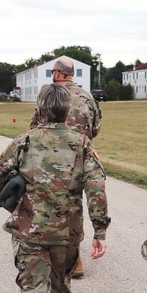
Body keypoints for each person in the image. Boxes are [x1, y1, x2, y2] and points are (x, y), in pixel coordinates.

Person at [0, 84, 109, 293]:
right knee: (61, 281)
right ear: (68, 112)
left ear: (40, 111)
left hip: (30, 230)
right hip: (68, 233)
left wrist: (5, 201)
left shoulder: (24, 142)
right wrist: (100, 230)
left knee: (34, 290)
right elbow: (97, 188)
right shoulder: (82, 143)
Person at [30, 57, 102, 278]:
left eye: (53, 71)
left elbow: (35, 124)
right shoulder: (87, 96)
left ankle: (49, 251)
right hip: (80, 155)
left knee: (48, 202)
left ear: (59, 73)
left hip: (50, 157)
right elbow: (96, 126)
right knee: (74, 204)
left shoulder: (47, 94)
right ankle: (74, 257)